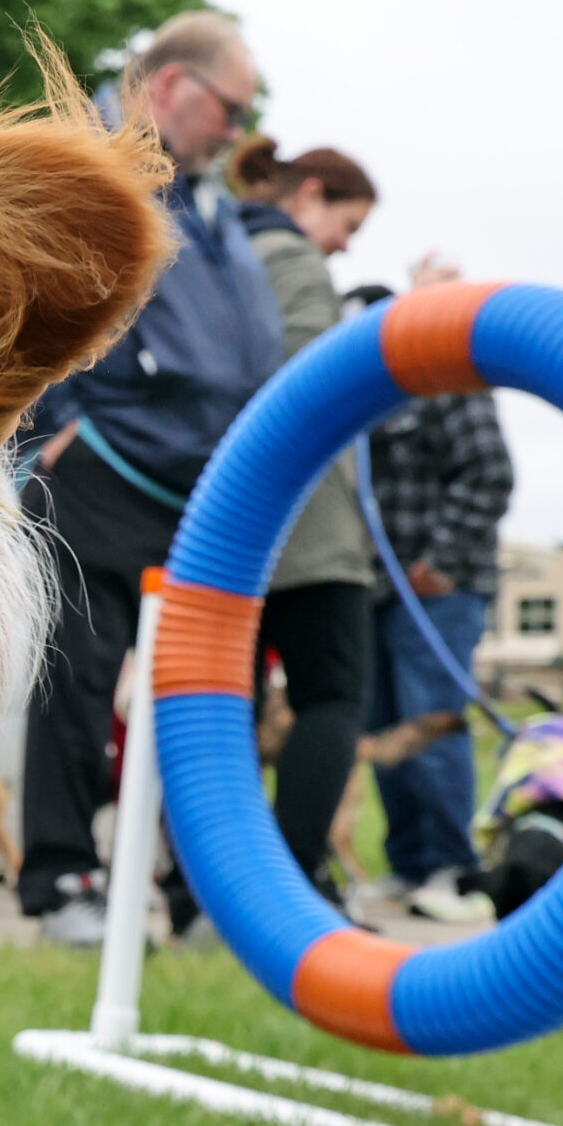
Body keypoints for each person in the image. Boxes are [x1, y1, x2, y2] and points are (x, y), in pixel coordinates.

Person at [14, 10, 287, 945]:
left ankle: (204, 894)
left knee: (215, 693)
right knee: (79, 681)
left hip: (210, 490)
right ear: (171, 88)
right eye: (231, 108)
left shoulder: (211, 200)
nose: (238, 130)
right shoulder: (91, 170)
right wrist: (55, 429)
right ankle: (60, 881)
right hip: (103, 468)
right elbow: (27, 300)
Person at [228, 136, 378, 903]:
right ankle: (289, 886)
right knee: (332, 697)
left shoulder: (223, 245)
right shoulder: (293, 262)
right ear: (310, 193)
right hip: (306, 526)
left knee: (223, 704)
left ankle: (208, 886)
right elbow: (312, 381)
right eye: (346, 225)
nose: (345, 246)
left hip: (230, 529)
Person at [360, 262, 516, 922]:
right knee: (386, 728)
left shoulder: (450, 377)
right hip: (378, 588)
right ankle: (408, 865)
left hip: (439, 591)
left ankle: (452, 868)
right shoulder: (374, 388)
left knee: (435, 719)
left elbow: (491, 472)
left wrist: (441, 562)